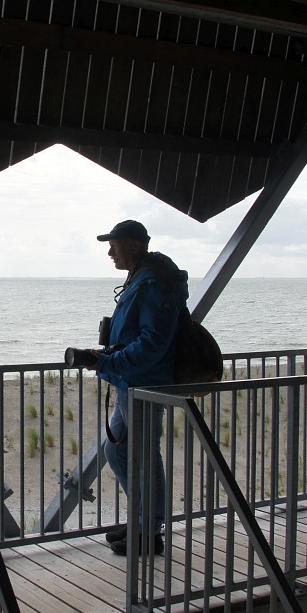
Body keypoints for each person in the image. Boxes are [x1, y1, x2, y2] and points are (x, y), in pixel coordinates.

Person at [91, 220, 188, 556]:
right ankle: (143, 521)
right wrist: (109, 360)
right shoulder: (142, 277)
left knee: (144, 458)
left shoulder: (153, 283)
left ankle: (149, 532)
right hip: (130, 381)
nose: (110, 252)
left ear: (134, 245)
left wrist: (107, 363)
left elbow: (153, 343)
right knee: (117, 451)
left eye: (114, 244)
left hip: (145, 382)